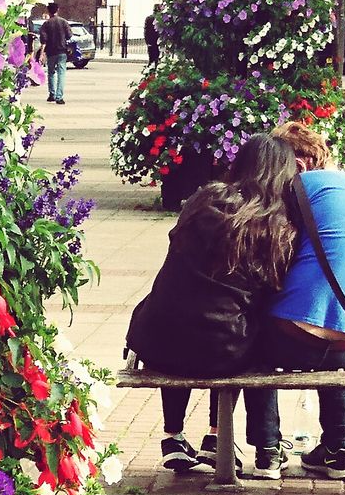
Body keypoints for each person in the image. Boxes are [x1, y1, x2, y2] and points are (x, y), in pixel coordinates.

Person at [127, 134, 300, 475]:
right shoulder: (279, 226)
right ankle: (216, 435)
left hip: (154, 339)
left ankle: (173, 436)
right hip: (223, 351)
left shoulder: (206, 198)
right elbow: (271, 289)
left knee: (178, 306)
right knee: (234, 326)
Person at [244, 128, 345, 481]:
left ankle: (267, 452)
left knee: (251, 338)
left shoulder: (299, 188)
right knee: (333, 320)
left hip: (294, 339)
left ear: (299, 163)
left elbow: (268, 254)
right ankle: (340, 449)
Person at [38, 1, 72, 105]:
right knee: (62, 73)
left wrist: (42, 53)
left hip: (51, 52)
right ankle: (59, 96)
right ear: (57, 10)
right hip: (62, 51)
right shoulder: (63, 22)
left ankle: (52, 94)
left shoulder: (46, 24)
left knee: (51, 73)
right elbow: (69, 35)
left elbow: (43, 39)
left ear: (48, 11)